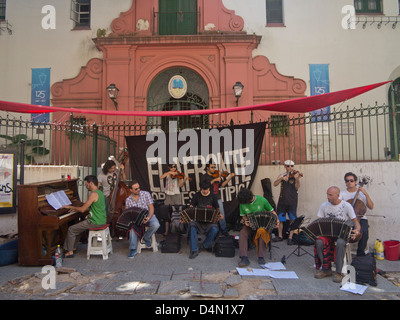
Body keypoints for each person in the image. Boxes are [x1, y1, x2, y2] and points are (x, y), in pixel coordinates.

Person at [314, 186, 361, 283]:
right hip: (329, 235)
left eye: (330, 195)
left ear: (338, 195)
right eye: (327, 194)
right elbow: (319, 222)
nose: (328, 197)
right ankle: (326, 269)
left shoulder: (347, 206)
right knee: (319, 241)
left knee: (340, 242)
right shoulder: (324, 206)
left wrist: (357, 231)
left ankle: (338, 272)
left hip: (342, 235)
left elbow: (355, 222)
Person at [62, 175, 107, 258]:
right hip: (102, 220)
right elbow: (91, 208)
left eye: (86, 184)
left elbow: (82, 210)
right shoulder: (100, 192)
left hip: (95, 221)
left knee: (71, 229)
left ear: (91, 183)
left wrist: (70, 207)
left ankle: (69, 251)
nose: (86, 186)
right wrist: (76, 209)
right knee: (78, 228)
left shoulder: (93, 194)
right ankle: (73, 247)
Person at [237, 188, 279, 267]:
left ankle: (261, 257)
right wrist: (245, 221)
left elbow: (272, 211)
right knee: (242, 233)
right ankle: (244, 257)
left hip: (262, 226)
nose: (245, 204)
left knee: (262, 231)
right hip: (250, 225)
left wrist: (277, 221)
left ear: (250, 198)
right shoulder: (242, 203)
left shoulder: (262, 200)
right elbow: (243, 216)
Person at [183, 180, 222, 259]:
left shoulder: (213, 196)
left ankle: (205, 245)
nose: (205, 191)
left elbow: (217, 208)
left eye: (206, 189)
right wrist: (190, 213)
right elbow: (191, 207)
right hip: (198, 221)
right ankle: (194, 250)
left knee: (215, 229)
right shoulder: (197, 195)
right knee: (192, 226)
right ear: (201, 189)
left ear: (209, 189)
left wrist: (220, 215)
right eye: (203, 190)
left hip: (209, 222)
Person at [339, 172, 374, 256]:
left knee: (364, 230)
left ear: (355, 182)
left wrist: (366, 194)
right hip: (347, 218)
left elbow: (371, 206)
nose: (349, 182)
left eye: (351, 180)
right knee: (341, 232)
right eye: (347, 181)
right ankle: (342, 253)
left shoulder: (361, 194)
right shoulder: (342, 194)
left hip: (360, 217)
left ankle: (361, 254)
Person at [125, 180, 160, 259]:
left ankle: (146, 237)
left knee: (156, 224)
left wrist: (148, 218)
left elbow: (151, 208)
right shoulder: (128, 200)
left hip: (147, 214)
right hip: (136, 218)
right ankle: (133, 249)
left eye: (139, 188)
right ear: (131, 190)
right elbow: (129, 214)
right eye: (136, 189)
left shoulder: (146, 194)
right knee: (131, 227)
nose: (138, 190)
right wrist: (137, 220)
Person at [200, 162, 234, 235]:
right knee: (209, 215)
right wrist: (214, 180)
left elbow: (222, 185)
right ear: (207, 168)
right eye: (212, 167)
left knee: (221, 215)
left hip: (217, 198)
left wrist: (229, 177)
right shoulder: (204, 176)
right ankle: (210, 231)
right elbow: (203, 186)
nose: (214, 169)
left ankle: (224, 231)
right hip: (208, 199)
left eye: (214, 167)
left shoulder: (216, 175)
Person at [273, 160, 302, 245]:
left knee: (292, 219)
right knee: (281, 219)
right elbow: (275, 184)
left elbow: (297, 188)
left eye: (292, 166)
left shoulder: (295, 175)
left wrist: (297, 180)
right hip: (282, 201)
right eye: (289, 166)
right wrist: (282, 178)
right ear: (285, 166)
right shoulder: (282, 175)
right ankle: (280, 236)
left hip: (292, 201)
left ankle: (290, 237)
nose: (291, 168)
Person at [159, 163, 188, 235]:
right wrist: (169, 172)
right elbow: (161, 177)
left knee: (178, 213)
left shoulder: (178, 174)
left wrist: (184, 180)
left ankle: (178, 231)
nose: (173, 168)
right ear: (169, 167)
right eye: (172, 167)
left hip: (176, 195)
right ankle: (166, 231)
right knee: (167, 213)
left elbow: (180, 185)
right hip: (168, 195)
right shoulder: (167, 173)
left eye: (174, 167)